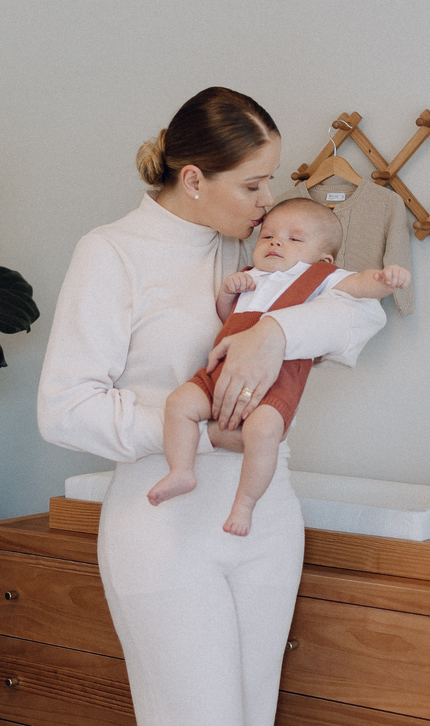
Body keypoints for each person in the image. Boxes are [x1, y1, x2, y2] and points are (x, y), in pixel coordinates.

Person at [37, 87, 386, 726]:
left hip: (265, 521)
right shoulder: (112, 254)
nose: (269, 199)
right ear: (194, 179)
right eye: (252, 182)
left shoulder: (260, 251)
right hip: (164, 524)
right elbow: (65, 407)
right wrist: (183, 420)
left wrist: (282, 333)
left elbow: (359, 319)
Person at [148, 197, 410, 535]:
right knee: (179, 403)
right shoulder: (249, 276)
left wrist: (384, 279)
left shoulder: (319, 275)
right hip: (218, 373)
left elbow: (359, 288)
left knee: (263, 432)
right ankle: (181, 470)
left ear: (324, 258)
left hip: (279, 383)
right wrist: (228, 293)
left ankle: (244, 504)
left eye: (294, 238)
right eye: (268, 236)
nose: (276, 242)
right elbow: (227, 322)